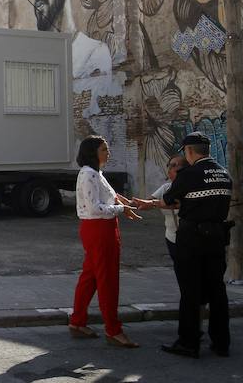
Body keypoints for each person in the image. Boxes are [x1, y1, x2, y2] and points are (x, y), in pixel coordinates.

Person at [158, 132, 233, 359]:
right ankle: (221, 342)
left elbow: (167, 199)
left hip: (192, 239)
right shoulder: (224, 173)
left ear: (189, 151)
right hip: (218, 237)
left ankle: (189, 342)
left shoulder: (189, 174)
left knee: (190, 291)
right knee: (217, 290)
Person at [68, 135, 141, 348]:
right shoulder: (89, 174)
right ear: (92, 152)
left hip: (101, 228)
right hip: (99, 229)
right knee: (107, 280)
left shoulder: (95, 172)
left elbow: (108, 195)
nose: (107, 153)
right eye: (103, 149)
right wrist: (121, 209)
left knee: (90, 277)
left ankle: (78, 321)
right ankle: (113, 329)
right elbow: (95, 207)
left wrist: (122, 201)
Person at [133, 155, 188, 262]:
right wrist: (126, 203)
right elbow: (147, 202)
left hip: (189, 238)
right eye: (169, 165)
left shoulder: (191, 187)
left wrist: (155, 204)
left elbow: (179, 205)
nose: (170, 169)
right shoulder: (166, 188)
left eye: (174, 165)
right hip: (171, 237)